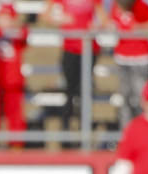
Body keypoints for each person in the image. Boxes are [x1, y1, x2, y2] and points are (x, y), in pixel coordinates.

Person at [41, 0, 108, 143]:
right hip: (70, 48)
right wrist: (60, 19)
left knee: (85, 90)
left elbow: (103, 19)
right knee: (70, 90)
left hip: (89, 48)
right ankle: (66, 129)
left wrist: (96, 26)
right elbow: (45, 16)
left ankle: (85, 128)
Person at [110, 0, 148, 126]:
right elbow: (110, 24)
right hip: (123, 59)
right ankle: (127, 131)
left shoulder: (143, 7)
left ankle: (142, 129)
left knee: (140, 98)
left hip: (140, 59)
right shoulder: (116, 7)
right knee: (125, 98)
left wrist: (138, 27)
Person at [0, 2, 28, 149]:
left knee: (14, 111)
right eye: (2, 17)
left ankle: (16, 143)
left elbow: (23, 35)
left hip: (13, 79)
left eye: (7, 17)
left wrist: (10, 29)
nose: (4, 20)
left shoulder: (18, 32)